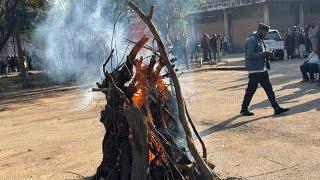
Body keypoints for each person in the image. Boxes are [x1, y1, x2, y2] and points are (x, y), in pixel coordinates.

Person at [240, 23, 289, 116]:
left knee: (269, 90)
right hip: (255, 70)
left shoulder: (259, 40)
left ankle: (276, 108)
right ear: (260, 30)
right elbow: (249, 55)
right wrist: (263, 54)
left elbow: (261, 53)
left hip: (262, 69)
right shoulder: (252, 40)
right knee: (251, 91)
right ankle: (244, 109)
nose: (266, 35)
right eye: (265, 33)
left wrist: (267, 55)